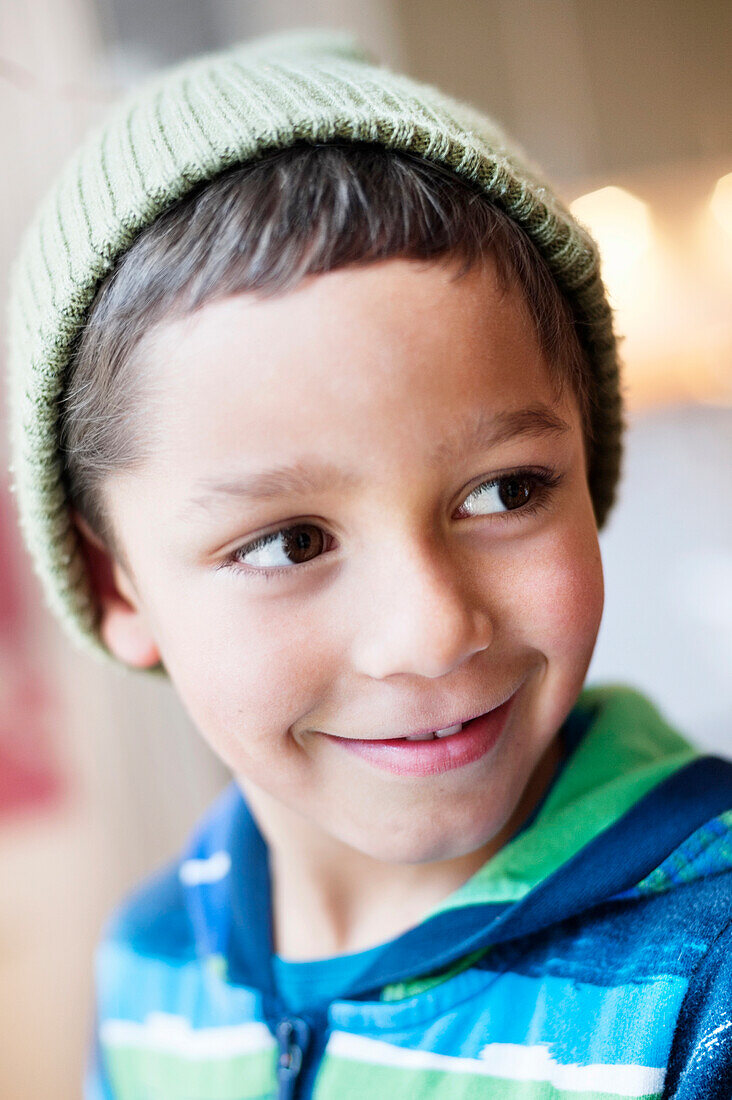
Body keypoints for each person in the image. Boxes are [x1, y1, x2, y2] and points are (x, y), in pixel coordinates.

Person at [6, 28, 732, 1100]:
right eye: (290, 541)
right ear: (118, 584)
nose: (433, 628)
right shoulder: (152, 968)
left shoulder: (703, 977)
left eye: (507, 490)